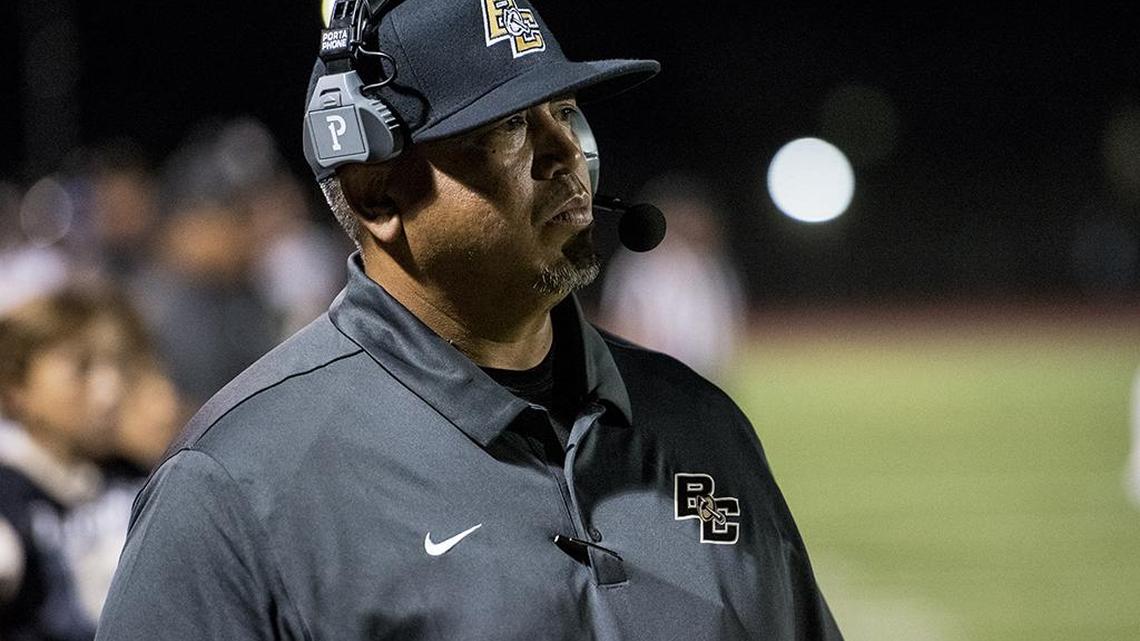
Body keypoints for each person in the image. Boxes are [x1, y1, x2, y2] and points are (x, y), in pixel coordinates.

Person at [96, 2, 843, 639]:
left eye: (567, 112)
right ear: (377, 194)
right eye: (511, 126)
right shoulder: (236, 487)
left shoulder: (700, 424)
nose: (567, 156)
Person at [0, 285, 166, 640]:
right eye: (81, 368)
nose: (109, 392)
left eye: (118, 367)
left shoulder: (135, 477)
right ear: (16, 386)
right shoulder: (11, 495)